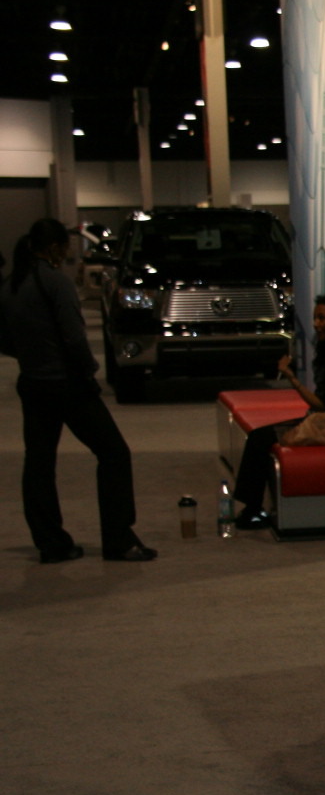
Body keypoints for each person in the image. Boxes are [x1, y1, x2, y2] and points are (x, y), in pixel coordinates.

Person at [5, 218, 156, 562]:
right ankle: (118, 538)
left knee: (39, 463)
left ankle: (51, 542)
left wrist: (31, 355)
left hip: (32, 383)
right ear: (56, 247)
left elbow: (4, 338)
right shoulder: (55, 282)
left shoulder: (11, 284)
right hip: (67, 385)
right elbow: (74, 336)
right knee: (114, 453)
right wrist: (90, 372)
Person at [230, 294, 325, 531]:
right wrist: (292, 378)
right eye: (315, 318)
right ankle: (252, 508)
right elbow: (322, 405)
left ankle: (253, 509)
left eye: (322, 318)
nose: (316, 324)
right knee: (259, 436)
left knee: (266, 438)